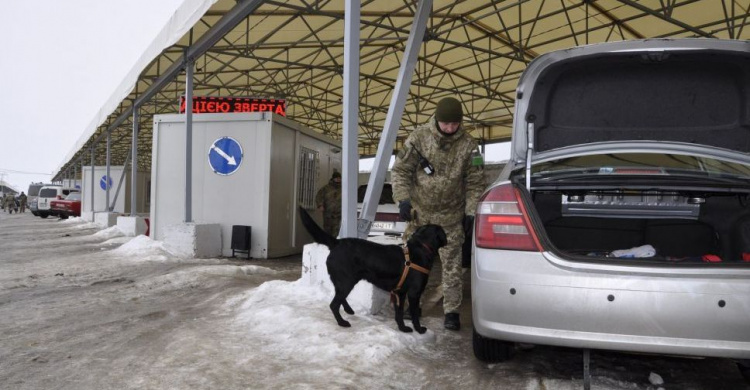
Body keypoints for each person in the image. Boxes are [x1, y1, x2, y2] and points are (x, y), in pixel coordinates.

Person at [391, 97, 485, 331]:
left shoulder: (469, 145)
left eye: (454, 124)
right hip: (419, 217)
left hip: (451, 219)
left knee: (452, 267)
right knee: (411, 265)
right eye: (446, 124)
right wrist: (402, 200)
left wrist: (471, 212)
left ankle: (451, 311)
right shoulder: (418, 138)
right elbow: (400, 171)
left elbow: (475, 181)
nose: (450, 129)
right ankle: (413, 305)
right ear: (437, 119)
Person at [315, 170, 342, 237]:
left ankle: (333, 245)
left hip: (338, 214)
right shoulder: (326, 188)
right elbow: (319, 196)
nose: (338, 180)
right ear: (333, 179)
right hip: (328, 214)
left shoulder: (343, 188)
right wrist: (320, 205)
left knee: (336, 231)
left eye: (339, 178)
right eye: (337, 178)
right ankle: (328, 245)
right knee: (327, 231)